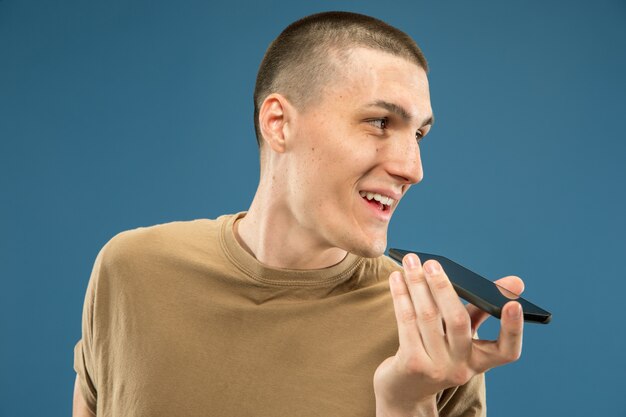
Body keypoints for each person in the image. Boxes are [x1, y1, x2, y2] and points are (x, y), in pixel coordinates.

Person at [73, 11, 524, 417]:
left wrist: (405, 405)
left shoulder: (427, 337)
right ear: (279, 123)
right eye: (380, 122)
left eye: (419, 135)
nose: (412, 169)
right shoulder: (130, 271)